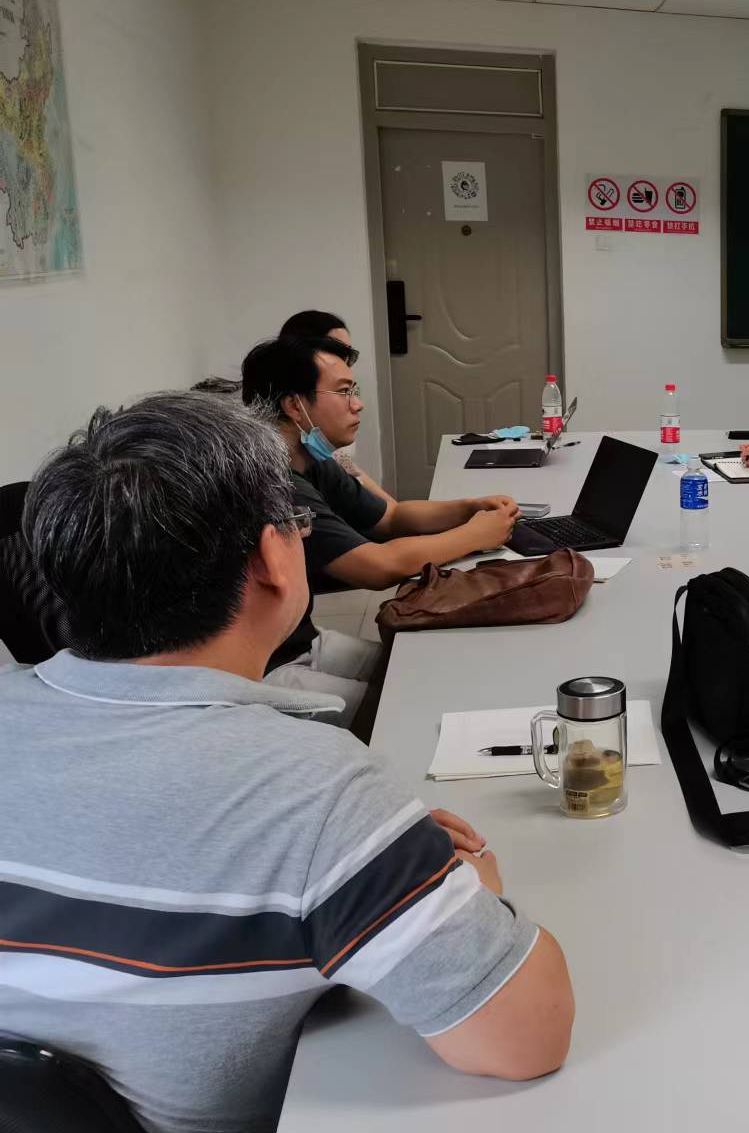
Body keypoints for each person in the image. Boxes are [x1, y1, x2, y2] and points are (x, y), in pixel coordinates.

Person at [1, 392, 573, 1131]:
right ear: (274, 556)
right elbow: (527, 1039)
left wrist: (370, 869)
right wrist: (461, 889)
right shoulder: (313, 789)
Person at [241, 335, 519, 713]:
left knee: (421, 668)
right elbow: (377, 567)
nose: (357, 404)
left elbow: (391, 518)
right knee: (407, 707)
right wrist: (474, 536)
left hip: (300, 642)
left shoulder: (311, 461)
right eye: (344, 392)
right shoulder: (273, 483)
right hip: (263, 671)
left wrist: (468, 508)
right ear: (294, 405)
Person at [279, 309, 395, 509]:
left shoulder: (325, 458)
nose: (357, 405)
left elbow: (351, 472)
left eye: (347, 354)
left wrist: (394, 508)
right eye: (335, 351)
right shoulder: (290, 464)